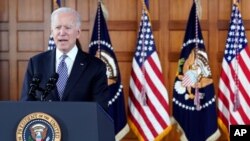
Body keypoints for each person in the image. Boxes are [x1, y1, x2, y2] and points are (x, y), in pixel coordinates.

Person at [20, 7, 109, 111]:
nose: (62, 32)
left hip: (79, 126)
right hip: (45, 126)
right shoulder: (36, 63)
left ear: (78, 32)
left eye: (67, 27)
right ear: (52, 32)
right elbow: (26, 104)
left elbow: (100, 109)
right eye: (58, 27)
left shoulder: (96, 66)